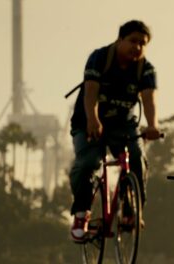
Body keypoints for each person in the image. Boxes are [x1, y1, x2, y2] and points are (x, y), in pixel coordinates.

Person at [69, 20, 161, 242]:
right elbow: (90, 93)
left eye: (143, 43)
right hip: (88, 120)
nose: (137, 47)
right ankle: (81, 214)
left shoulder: (145, 69)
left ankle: (132, 210)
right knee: (88, 163)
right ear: (119, 40)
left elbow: (149, 99)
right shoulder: (99, 58)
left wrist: (152, 125)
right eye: (133, 41)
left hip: (123, 124)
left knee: (137, 158)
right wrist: (93, 119)